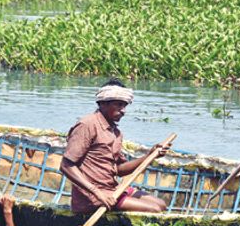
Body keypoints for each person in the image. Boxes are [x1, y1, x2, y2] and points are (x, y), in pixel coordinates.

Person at [60, 79, 171, 214]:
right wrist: (98, 193)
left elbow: (119, 170)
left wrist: (150, 156)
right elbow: (66, 166)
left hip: (113, 190)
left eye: (125, 106)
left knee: (161, 204)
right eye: (118, 105)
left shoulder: (116, 133)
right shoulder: (87, 125)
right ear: (103, 104)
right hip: (92, 197)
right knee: (154, 209)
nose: (123, 111)